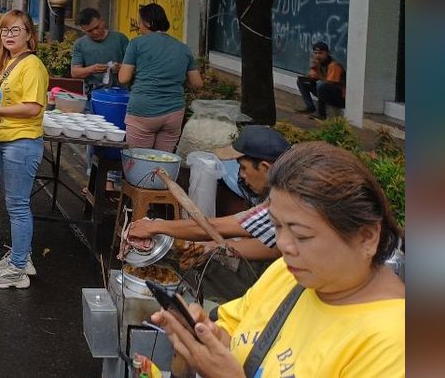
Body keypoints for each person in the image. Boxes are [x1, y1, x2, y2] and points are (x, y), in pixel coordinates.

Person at [150, 142, 404, 377]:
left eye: (302, 235)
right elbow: (235, 336)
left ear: (367, 237)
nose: (283, 244)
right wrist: (207, 340)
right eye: (276, 227)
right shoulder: (287, 273)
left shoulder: (394, 341)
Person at [127, 125, 292, 263]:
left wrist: (155, 226)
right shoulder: (286, 184)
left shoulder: (288, 199)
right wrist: (211, 247)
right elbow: (273, 247)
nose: (241, 175)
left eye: (243, 167)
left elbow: (215, 227)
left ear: (265, 167)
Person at [0, 10, 49, 289]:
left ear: (29, 35)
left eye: (15, 30)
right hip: (8, 141)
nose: (8, 35)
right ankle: (22, 257)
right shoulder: (11, 62)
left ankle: (17, 269)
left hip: (21, 142)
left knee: (18, 206)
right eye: (5, 30)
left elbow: (33, 107)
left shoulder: (31, 65)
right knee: (15, 204)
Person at [118, 3, 203, 152]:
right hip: (174, 113)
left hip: (143, 110)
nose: (138, 25)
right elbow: (197, 83)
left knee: (139, 161)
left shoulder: (137, 43)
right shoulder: (183, 48)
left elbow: (123, 78)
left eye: (140, 21)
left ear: (149, 23)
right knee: (161, 163)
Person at [70, 7, 129, 92]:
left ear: (102, 20)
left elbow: (136, 67)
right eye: (89, 31)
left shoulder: (120, 39)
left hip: (120, 92)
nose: (95, 32)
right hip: (94, 92)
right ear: (83, 30)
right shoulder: (80, 44)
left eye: (97, 27)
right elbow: (75, 72)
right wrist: (92, 69)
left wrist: (120, 67)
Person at [295, 42, 346, 119]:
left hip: (339, 97)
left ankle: (321, 114)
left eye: (321, 53)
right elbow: (312, 78)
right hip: (326, 91)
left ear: (327, 53)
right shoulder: (319, 63)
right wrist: (313, 68)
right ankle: (310, 107)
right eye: (316, 53)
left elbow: (330, 83)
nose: (318, 55)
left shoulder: (334, 65)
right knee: (302, 81)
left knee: (321, 85)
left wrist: (317, 76)